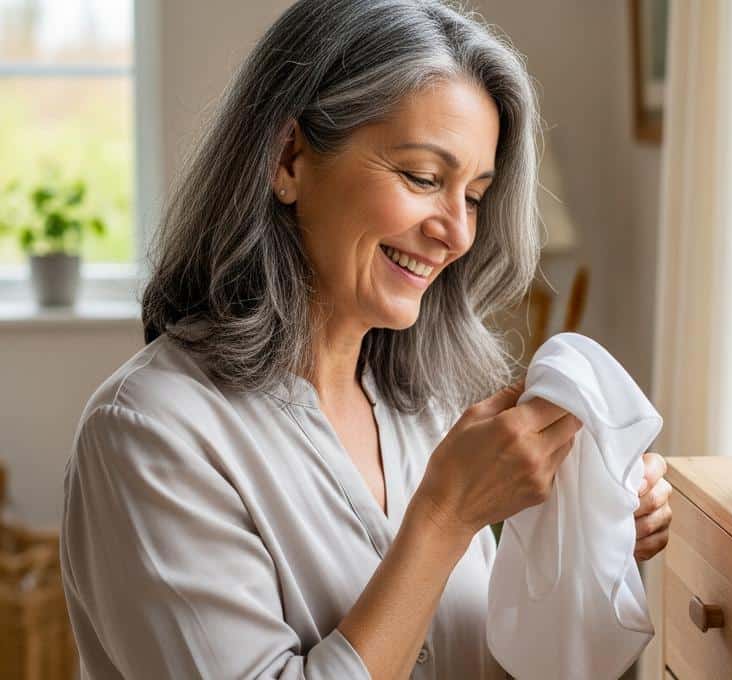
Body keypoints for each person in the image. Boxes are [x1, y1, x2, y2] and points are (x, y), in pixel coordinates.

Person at [59, 1, 672, 677]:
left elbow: (477, 663)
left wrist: (592, 544)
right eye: (422, 178)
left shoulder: (426, 410)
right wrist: (445, 517)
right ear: (288, 158)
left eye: (472, 195)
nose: (458, 232)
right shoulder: (149, 435)